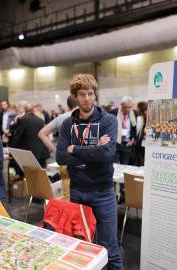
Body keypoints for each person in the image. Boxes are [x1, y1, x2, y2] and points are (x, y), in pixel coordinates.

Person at [56, 74, 122, 270]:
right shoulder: (69, 123)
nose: (87, 98)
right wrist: (93, 152)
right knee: (82, 244)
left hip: (102, 191)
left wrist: (74, 148)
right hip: (77, 190)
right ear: (75, 97)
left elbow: (106, 154)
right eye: (82, 94)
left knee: (110, 247)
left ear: (95, 95)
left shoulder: (108, 121)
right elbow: (60, 157)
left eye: (91, 94)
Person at [10, 104, 50, 168]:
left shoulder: (23, 120)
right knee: (43, 175)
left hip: (30, 154)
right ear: (33, 111)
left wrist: (11, 150)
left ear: (25, 111)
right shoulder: (40, 120)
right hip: (42, 153)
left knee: (31, 175)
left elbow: (17, 137)